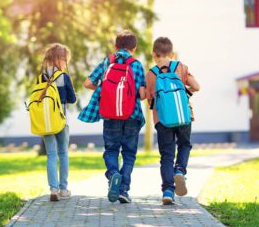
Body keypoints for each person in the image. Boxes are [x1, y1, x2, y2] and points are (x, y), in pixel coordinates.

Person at [79, 30, 146, 203]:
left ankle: (113, 174)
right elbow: (143, 94)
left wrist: (106, 90)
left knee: (111, 150)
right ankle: (123, 190)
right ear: (134, 48)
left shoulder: (107, 61)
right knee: (129, 153)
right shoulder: (136, 64)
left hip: (110, 114)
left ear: (115, 46)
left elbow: (88, 83)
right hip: (132, 114)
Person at [145, 37, 200, 205]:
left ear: (154, 54)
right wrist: (184, 91)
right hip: (183, 116)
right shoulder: (181, 67)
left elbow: (149, 99)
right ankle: (180, 171)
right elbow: (196, 86)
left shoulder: (151, 74)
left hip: (163, 119)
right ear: (172, 53)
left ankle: (168, 191)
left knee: (167, 155)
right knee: (184, 145)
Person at [39, 43, 76, 201]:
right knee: (63, 153)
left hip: (45, 122)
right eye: (65, 59)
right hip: (61, 121)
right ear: (60, 60)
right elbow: (72, 99)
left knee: (51, 155)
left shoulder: (41, 77)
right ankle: (63, 189)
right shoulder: (64, 77)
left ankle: (53, 189)